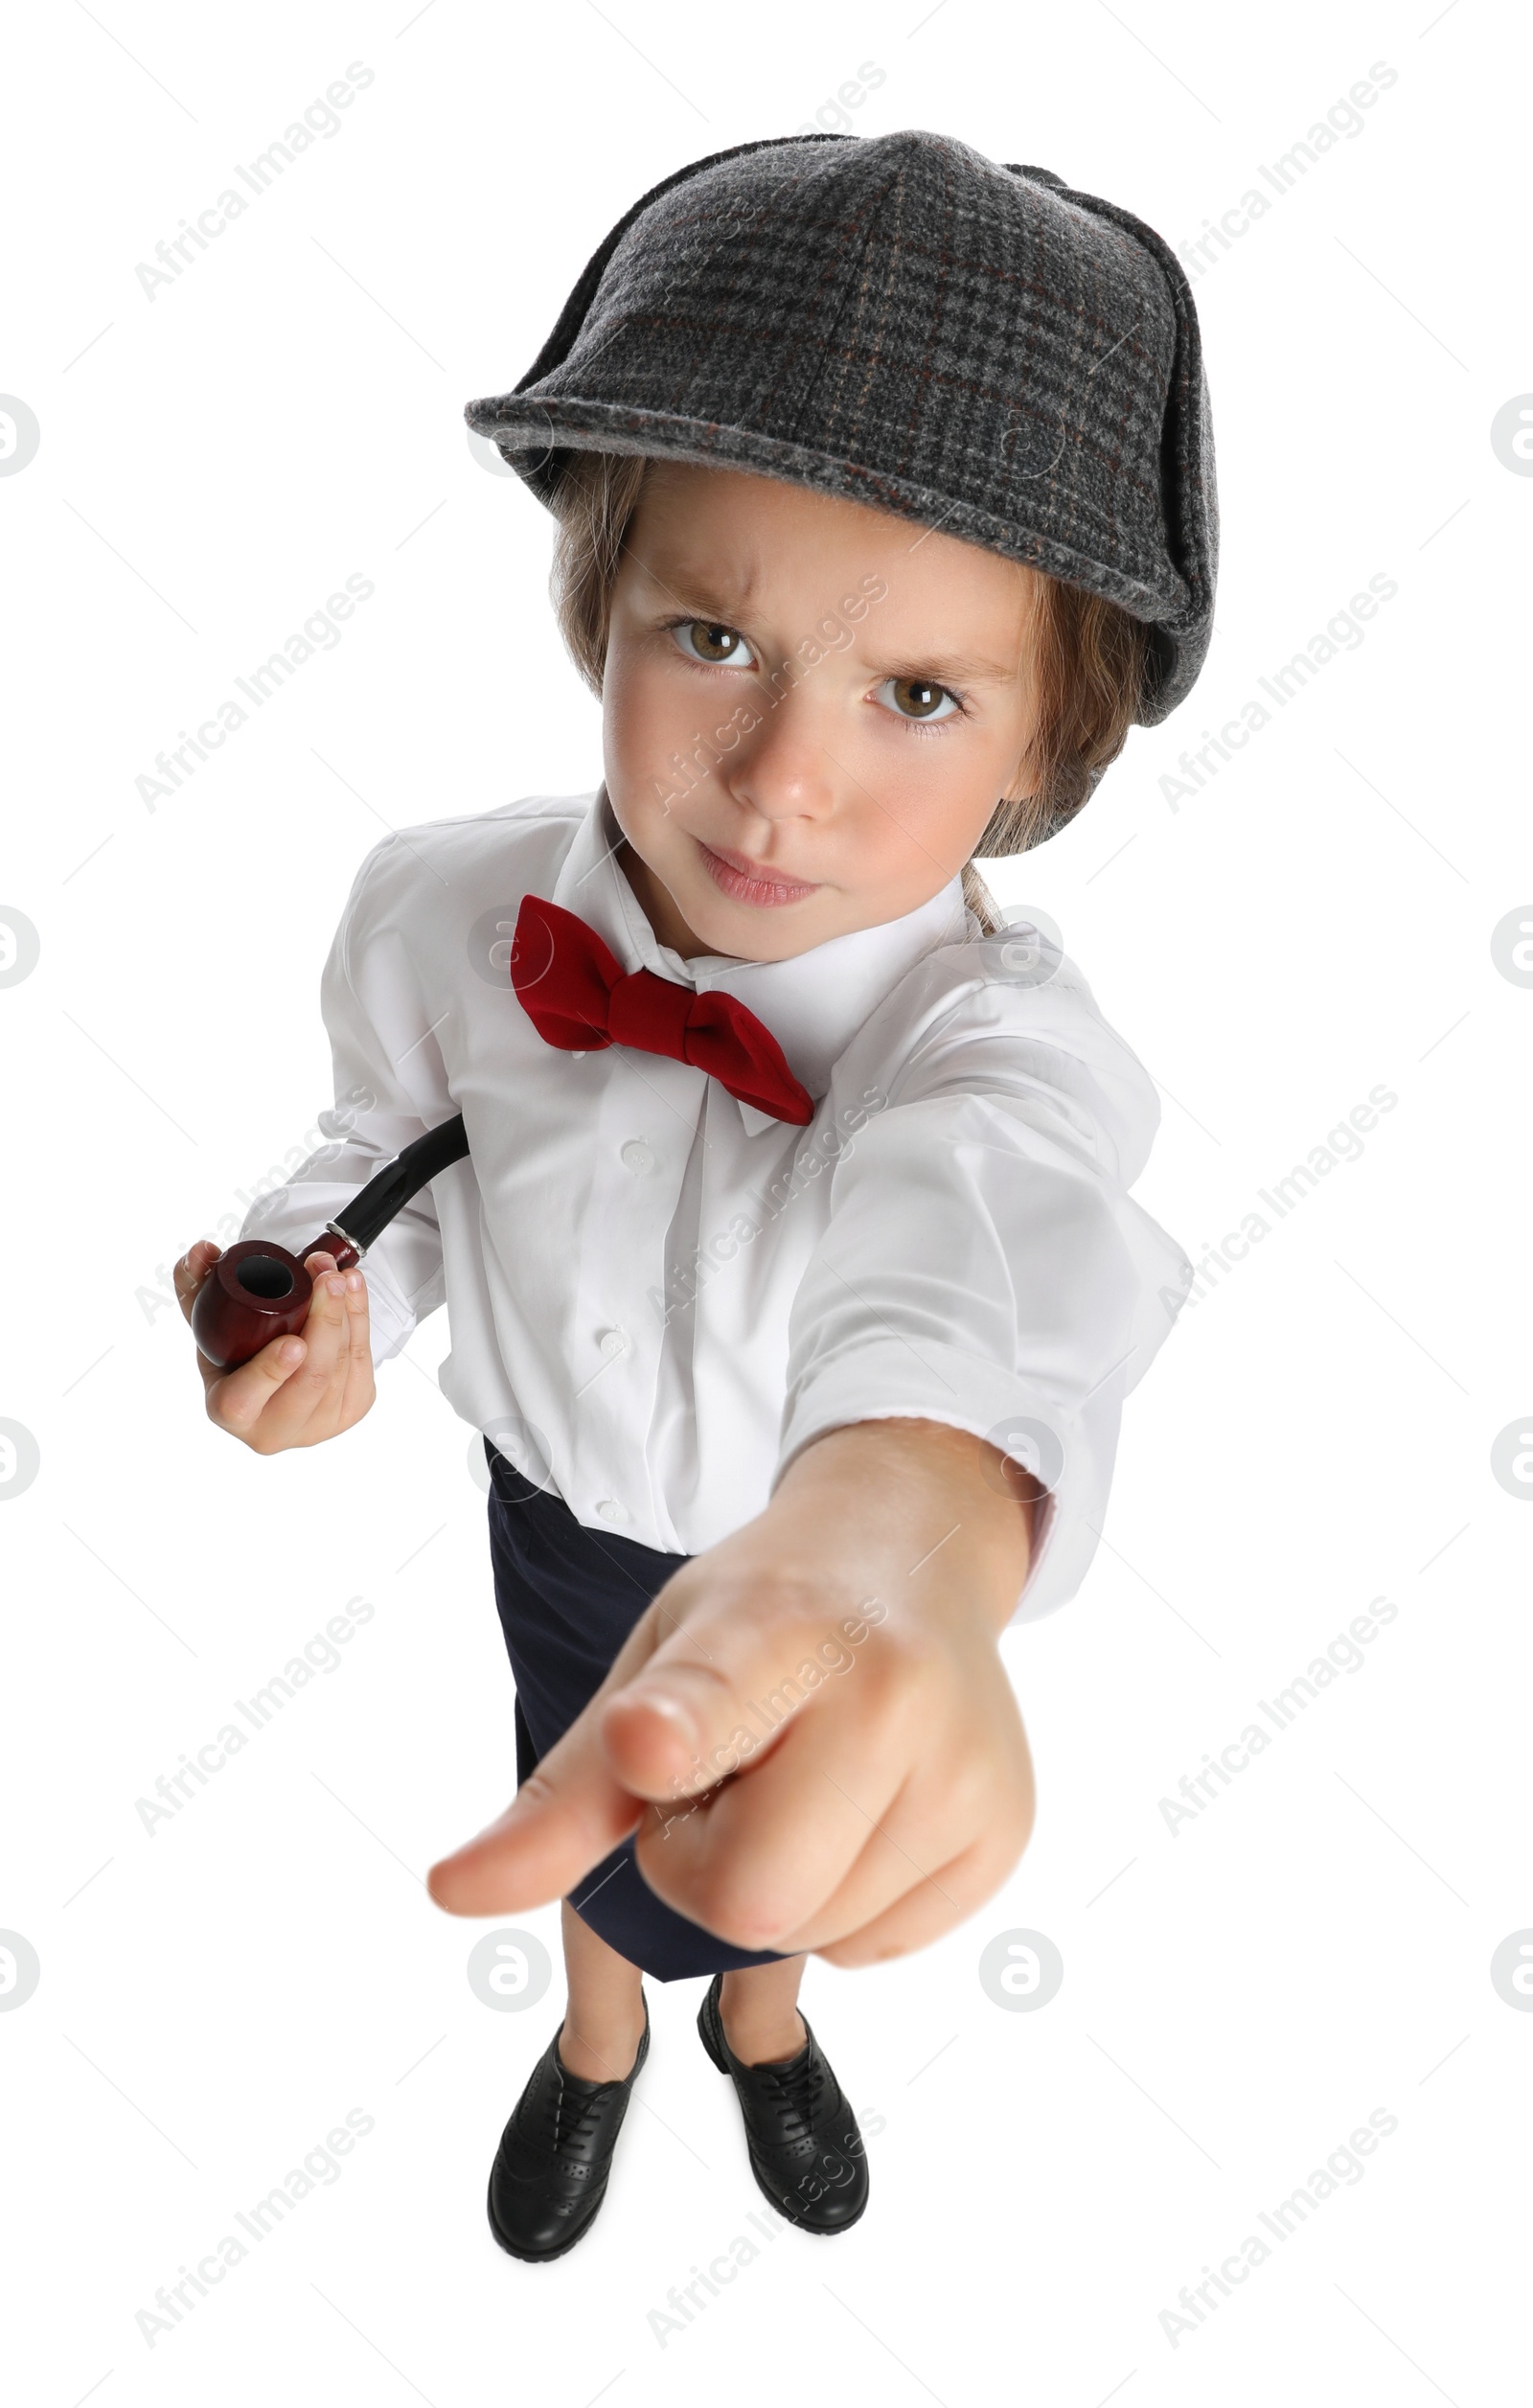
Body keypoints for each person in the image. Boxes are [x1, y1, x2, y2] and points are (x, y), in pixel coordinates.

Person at [173, 128, 1215, 2260]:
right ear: (597, 603)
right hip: (551, 1502)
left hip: (797, 1538)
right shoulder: (442, 905)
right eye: (711, 638)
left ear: (1045, 739)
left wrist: (904, 1509)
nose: (781, 779)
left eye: (914, 693)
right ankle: (587, 2040)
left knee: (768, 1834)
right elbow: (396, 1130)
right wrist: (327, 1276)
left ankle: (756, 2022)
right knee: (571, 1764)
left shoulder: (988, 1044)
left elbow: (990, 1244)